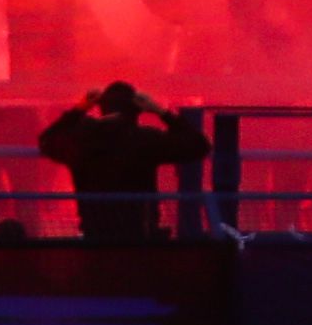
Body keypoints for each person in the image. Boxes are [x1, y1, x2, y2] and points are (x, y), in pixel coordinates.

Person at [37, 79, 202, 244]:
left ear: (102, 107)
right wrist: (160, 111)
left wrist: (80, 109)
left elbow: (47, 140)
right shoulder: (146, 139)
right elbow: (198, 145)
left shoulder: (82, 139)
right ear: (137, 109)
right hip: (140, 236)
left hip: (94, 234)